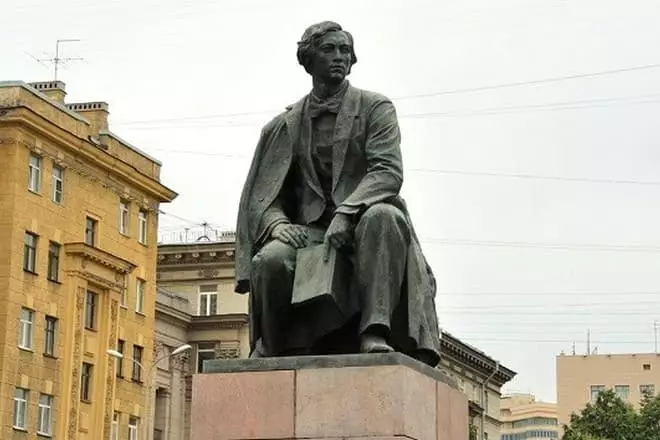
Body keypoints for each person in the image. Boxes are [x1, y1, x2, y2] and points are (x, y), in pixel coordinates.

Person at [234, 21, 441, 366]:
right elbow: (263, 194)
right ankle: (272, 346)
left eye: (345, 50)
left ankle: (374, 331)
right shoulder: (282, 125)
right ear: (308, 59)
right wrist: (277, 224)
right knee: (270, 260)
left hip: (364, 222)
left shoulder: (375, 108)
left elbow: (387, 172)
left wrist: (347, 213)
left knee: (384, 216)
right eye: (329, 50)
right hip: (310, 232)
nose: (339, 57)